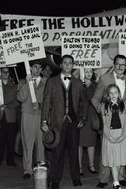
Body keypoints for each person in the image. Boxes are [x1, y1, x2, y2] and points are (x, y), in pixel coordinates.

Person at [41, 54, 88, 189]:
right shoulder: (52, 81)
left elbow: (84, 102)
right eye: (65, 63)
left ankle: (76, 177)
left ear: (73, 66)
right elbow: (45, 102)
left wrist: (83, 118)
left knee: (74, 151)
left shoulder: (78, 82)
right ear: (61, 65)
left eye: (70, 63)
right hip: (57, 123)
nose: (68, 65)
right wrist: (44, 121)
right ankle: (55, 180)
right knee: (57, 152)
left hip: (73, 122)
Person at [92, 54, 126, 188]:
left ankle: (121, 178)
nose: (121, 67)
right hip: (108, 120)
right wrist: (102, 110)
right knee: (107, 149)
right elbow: (95, 98)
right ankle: (103, 179)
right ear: (113, 65)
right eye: (118, 64)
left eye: (123, 64)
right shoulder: (104, 78)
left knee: (120, 149)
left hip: (122, 119)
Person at [17, 59, 47, 179]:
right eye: (35, 66)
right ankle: (27, 170)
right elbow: (20, 98)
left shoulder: (46, 83)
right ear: (30, 68)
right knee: (27, 143)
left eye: (40, 67)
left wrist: (40, 105)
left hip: (40, 116)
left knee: (41, 143)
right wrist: (26, 84)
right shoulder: (22, 82)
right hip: (27, 115)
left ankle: (40, 166)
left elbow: (49, 101)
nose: (38, 69)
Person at [101, 84, 126, 189]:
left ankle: (117, 179)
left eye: (115, 93)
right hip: (110, 135)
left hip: (121, 134)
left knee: (119, 159)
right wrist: (109, 137)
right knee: (113, 159)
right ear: (108, 95)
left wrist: (123, 135)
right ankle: (116, 182)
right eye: (111, 93)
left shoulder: (124, 105)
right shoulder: (104, 106)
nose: (113, 95)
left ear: (119, 93)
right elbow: (104, 124)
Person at [0, 67, 20, 168]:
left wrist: (7, 106)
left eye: (7, 72)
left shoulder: (14, 86)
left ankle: (11, 160)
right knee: (0, 140)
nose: (5, 73)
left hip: (10, 116)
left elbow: (18, 101)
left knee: (11, 140)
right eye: (3, 72)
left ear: (9, 73)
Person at [79, 68, 99, 176]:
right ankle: (79, 166)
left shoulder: (96, 85)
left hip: (92, 115)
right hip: (81, 114)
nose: (88, 73)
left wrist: (88, 86)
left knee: (92, 142)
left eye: (90, 72)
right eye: (86, 71)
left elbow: (96, 98)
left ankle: (91, 165)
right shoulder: (77, 84)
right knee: (79, 143)